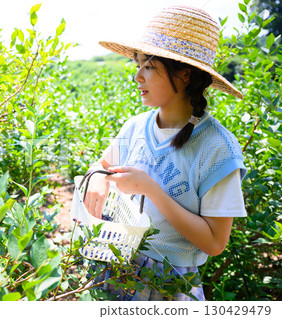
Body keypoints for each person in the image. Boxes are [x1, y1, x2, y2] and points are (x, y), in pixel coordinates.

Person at [84, 5, 247, 301]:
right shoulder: (136, 127)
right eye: (138, 63)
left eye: (149, 65)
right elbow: (105, 164)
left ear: (184, 74)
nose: (137, 76)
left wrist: (152, 190)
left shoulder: (217, 147)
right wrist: (98, 176)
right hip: (117, 266)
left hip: (169, 285)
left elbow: (213, 242)